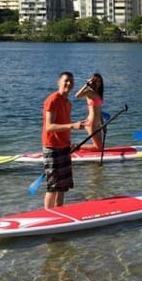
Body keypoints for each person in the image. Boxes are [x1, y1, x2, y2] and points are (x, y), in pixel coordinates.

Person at [42, 71, 86, 209]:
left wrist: (69, 143)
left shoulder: (68, 103)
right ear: (58, 82)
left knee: (63, 186)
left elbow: (63, 125)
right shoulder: (53, 99)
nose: (69, 83)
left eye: (71, 81)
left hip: (63, 147)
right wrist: (73, 125)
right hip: (52, 147)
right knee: (53, 186)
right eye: (66, 80)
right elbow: (49, 127)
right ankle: (48, 215)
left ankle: (59, 212)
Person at [74, 72, 104, 150]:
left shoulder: (99, 93)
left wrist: (104, 124)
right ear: (92, 82)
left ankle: (77, 147)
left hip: (98, 124)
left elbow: (99, 110)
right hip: (91, 123)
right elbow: (77, 96)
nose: (98, 83)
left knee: (99, 146)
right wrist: (86, 84)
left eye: (99, 81)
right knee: (99, 148)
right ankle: (74, 146)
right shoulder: (89, 92)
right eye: (96, 81)